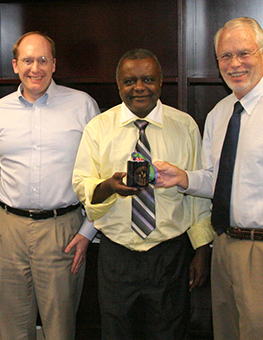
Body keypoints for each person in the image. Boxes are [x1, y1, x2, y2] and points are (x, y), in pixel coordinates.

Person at [155, 17, 263, 340]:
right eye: (225, 56)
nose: (234, 64)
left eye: (244, 53)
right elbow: (217, 181)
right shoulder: (220, 113)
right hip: (224, 249)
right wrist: (183, 178)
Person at [0, 32, 100, 339]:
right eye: (27, 60)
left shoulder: (83, 106)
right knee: (12, 328)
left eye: (42, 60)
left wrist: (88, 231)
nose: (34, 68)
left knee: (60, 329)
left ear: (54, 64)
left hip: (61, 230)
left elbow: (100, 176)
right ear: (15, 65)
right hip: (8, 231)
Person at [72, 49, 214, 339]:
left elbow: (198, 190)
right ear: (118, 85)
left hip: (169, 255)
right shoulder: (98, 128)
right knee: (116, 332)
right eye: (129, 81)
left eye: (148, 79)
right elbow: (82, 187)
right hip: (116, 254)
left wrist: (201, 248)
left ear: (161, 82)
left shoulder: (185, 126)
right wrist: (109, 186)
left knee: (170, 332)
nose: (139, 87)